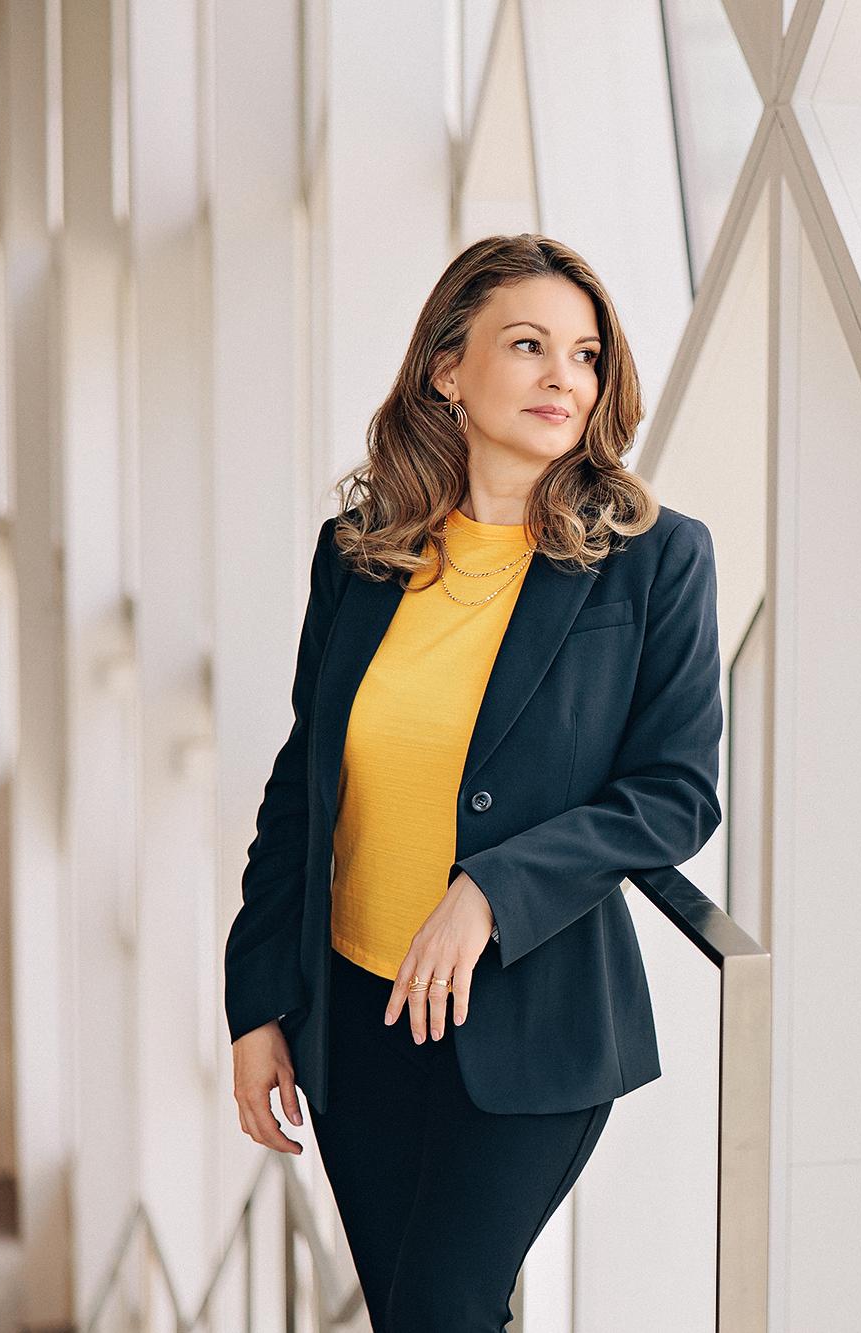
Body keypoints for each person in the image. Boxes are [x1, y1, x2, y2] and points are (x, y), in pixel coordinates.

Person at [222, 232, 724, 1330]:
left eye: (584, 355)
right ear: (448, 368)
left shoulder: (653, 561)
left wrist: (492, 888)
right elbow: (305, 784)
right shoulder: (359, 551)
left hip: (532, 1021)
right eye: (529, 344)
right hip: (354, 1015)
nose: (563, 378)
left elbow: (676, 793)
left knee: (443, 1311)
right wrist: (257, 997)